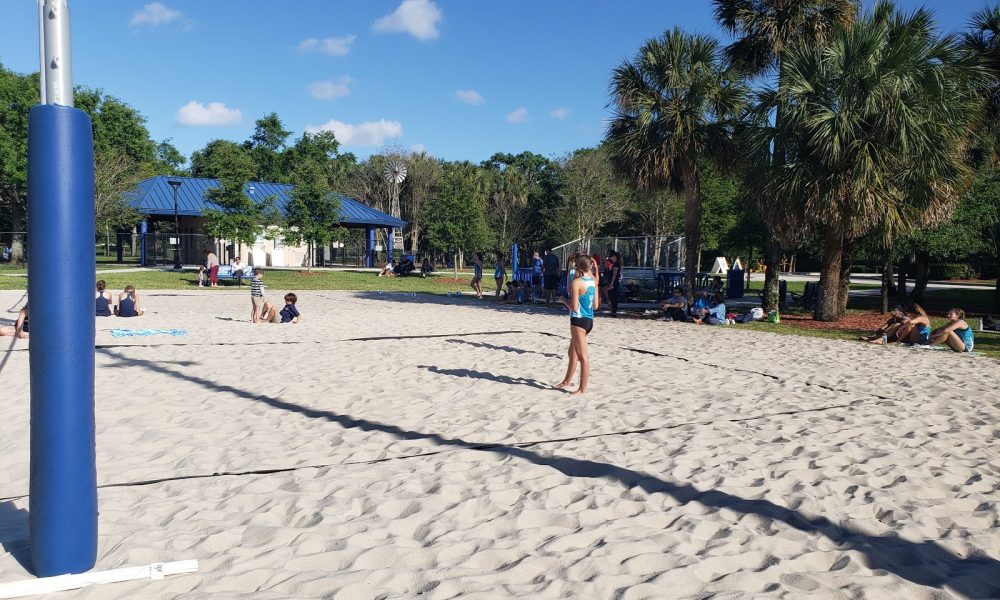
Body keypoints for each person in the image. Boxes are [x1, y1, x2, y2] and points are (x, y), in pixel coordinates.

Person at [554, 255, 599, 396]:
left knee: (582, 357)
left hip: (578, 321)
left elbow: (573, 307)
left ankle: (582, 389)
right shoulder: (593, 281)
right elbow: (596, 305)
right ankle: (567, 381)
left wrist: (563, 300)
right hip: (589, 320)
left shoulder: (577, 282)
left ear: (577, 266)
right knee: (572, 353)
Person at [862, 305, 930, 345]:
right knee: (900, 325)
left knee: (910, 325)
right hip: (910, 338)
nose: (910, 314)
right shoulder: (893, 319)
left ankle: (895, 341)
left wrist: (900, 329)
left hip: (920, 341)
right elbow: (883, 328)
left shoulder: (922, 318)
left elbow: (910, 323)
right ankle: (879, 339)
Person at [607, 252, 622, 317]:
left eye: (612, 256)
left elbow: (614, 275)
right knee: (612, 297)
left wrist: (611, 284)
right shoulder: (615, 264)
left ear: (615, 257)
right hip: (614, 283)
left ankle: (614, 312)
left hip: (614, 283)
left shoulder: (616, 264)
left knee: (613, 298)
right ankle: (613, 311)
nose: (611, 257)